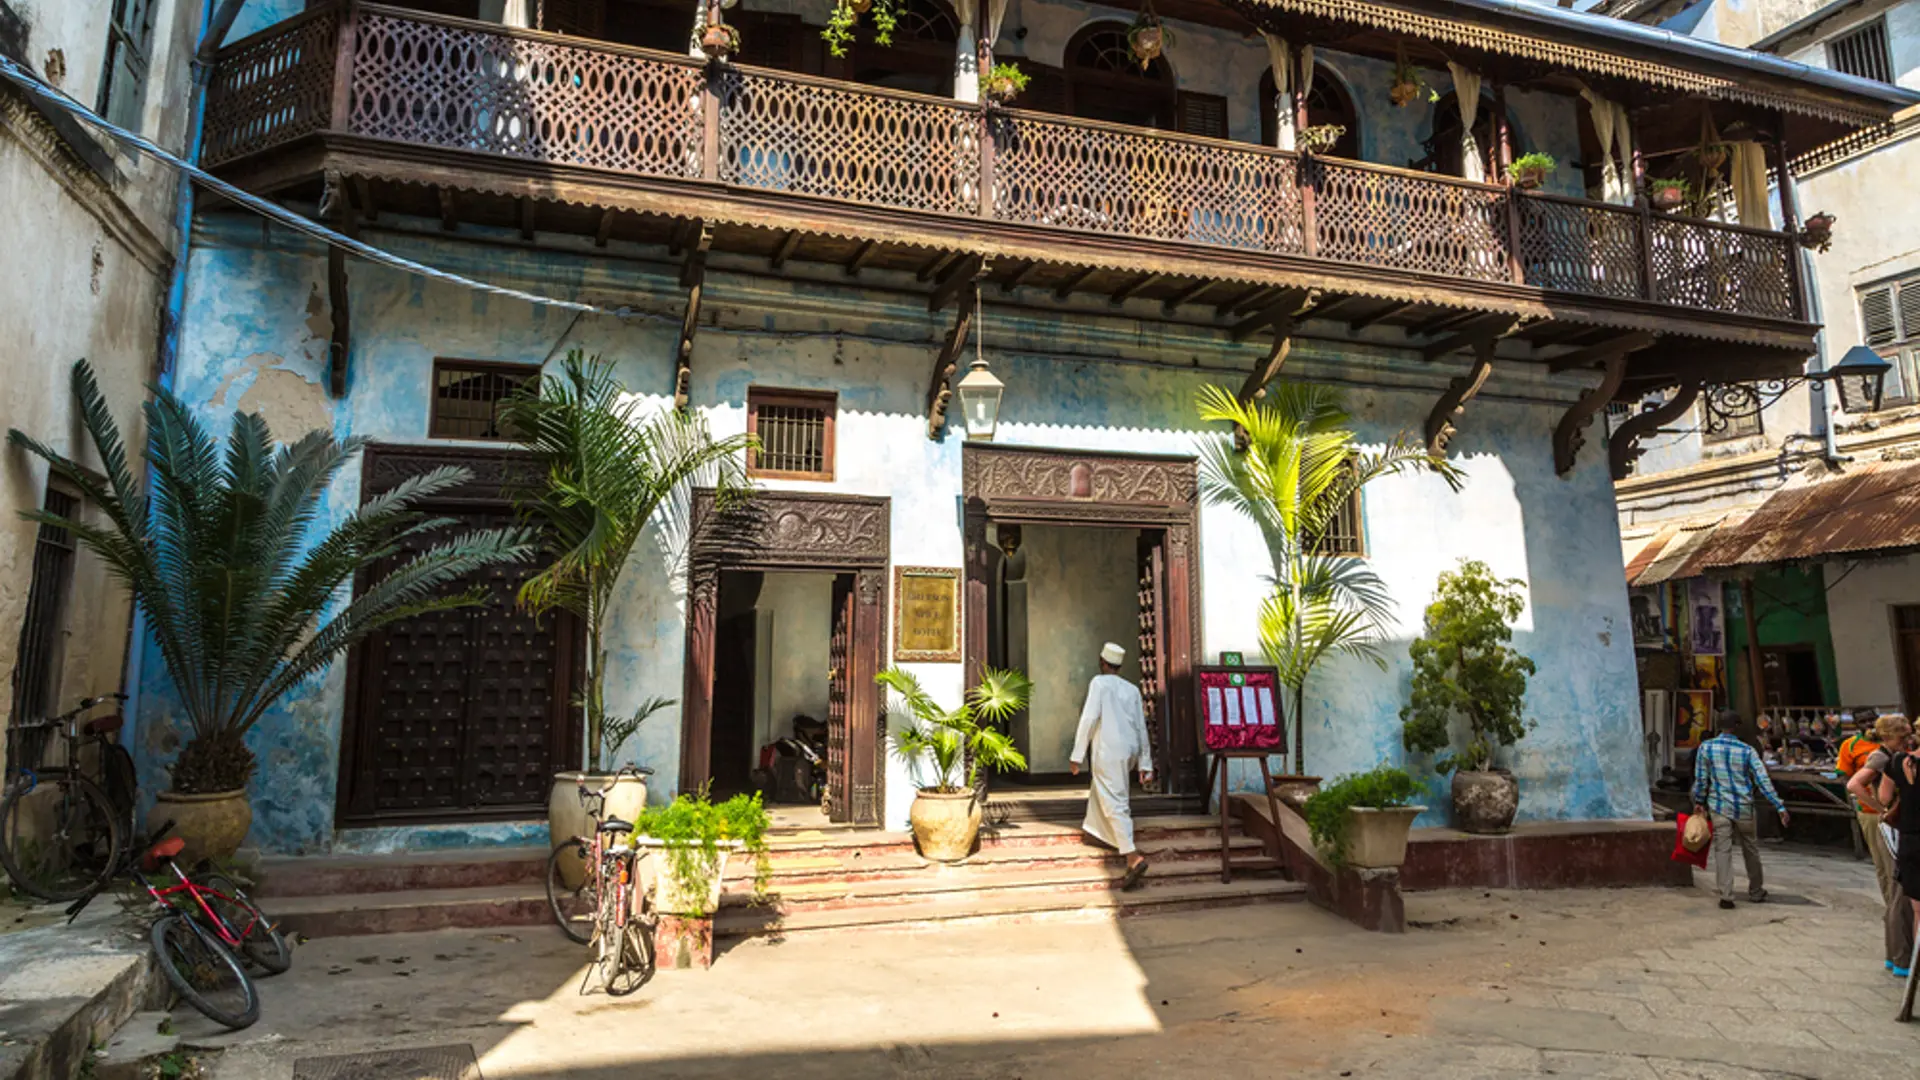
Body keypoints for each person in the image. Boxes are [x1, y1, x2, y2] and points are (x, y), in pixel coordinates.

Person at [1069, 642, 1155, 891]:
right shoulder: (1132, 690)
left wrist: (1077, 754)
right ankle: (1099, 835)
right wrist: (1145, 763)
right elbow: (1141, 726)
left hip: (1108, 750)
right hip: (1128, 751)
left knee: (1115, 802)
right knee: (1103, 793)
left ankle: (1131, 856)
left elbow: (1089, 718)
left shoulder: (1099, 683)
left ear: (1102, 661)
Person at [1693, 710, 1791, 910]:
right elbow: (1762, 780)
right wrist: (1779, 805)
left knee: (1722, 850)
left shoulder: (1706, 748)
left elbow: (1702, 780)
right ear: (1737, 727)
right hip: (1745, 807)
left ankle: (1726, 894)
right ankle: (1756, 891)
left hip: (1718, 806)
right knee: (1751, 849)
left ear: (1718, 726)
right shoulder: (1747, 751)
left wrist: (1699, 801)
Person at [1850, 714, 1916, 975]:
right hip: (1886, 823)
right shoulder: (1883, 757)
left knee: (1893, 886)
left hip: (1886, 822)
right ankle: (1900, 955)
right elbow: (1854, 783)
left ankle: (1895, 953)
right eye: (1903, 736)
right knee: (1897, 887)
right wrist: (1881, 808)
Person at [1876, 735, 1920, 975]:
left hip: (1910, 840)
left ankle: (1916, 969)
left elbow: (1884, 798)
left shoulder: (1898, 762)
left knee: (1917, 911)